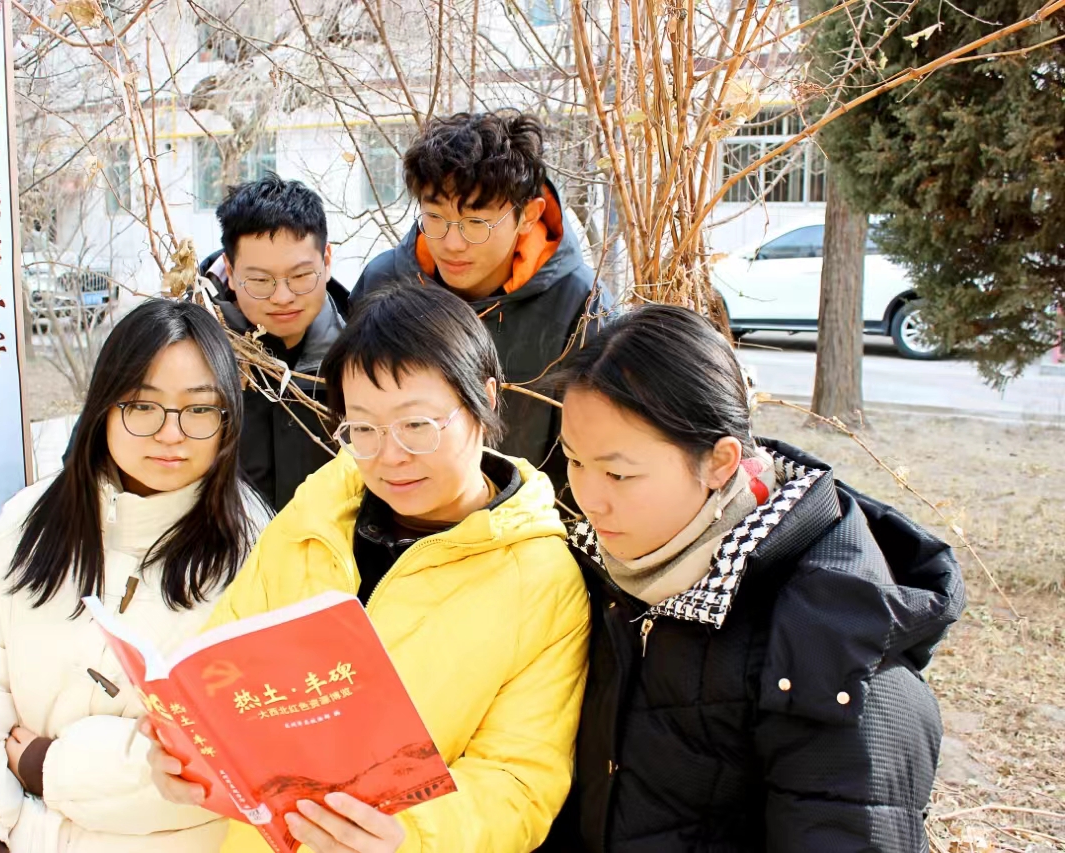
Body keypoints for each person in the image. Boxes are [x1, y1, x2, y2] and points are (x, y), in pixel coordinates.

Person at [147, 283, 590, 853]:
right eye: (362, 429)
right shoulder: (320, 510)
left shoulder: (541, 578)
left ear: (484, 400)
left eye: (417, 425)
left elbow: (520, 781)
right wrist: (190, 752)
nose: (390, 456)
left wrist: (407, 838)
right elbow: (224, 659)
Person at [540, 305, 965, 853]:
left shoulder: (830, 647)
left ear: (721, 462)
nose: (588, 499)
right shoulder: (598, 571)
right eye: (574, 461)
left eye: (618, 473)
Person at [0, 299, 270, 853]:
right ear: (104, 407)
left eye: (199, 409)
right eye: (143, 406)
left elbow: (227, 760)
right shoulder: (30, 523)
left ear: (228, 420)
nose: (170, 433)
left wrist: (52, 765)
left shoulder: (257, 554)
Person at [352, 111, 612, 503]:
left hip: (529, 522)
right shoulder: (384, 283)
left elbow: (594, 452)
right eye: (435, 218)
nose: (451, 244)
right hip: (398, 515)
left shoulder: (582, 306)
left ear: (528, 216)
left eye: (476, 223)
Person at [197, 172, 348, 511]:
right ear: (230, 272)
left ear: (326, 262)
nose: (282, 297)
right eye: (260, 280)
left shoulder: (359, 357)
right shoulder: (193, 357)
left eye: (300, 276)